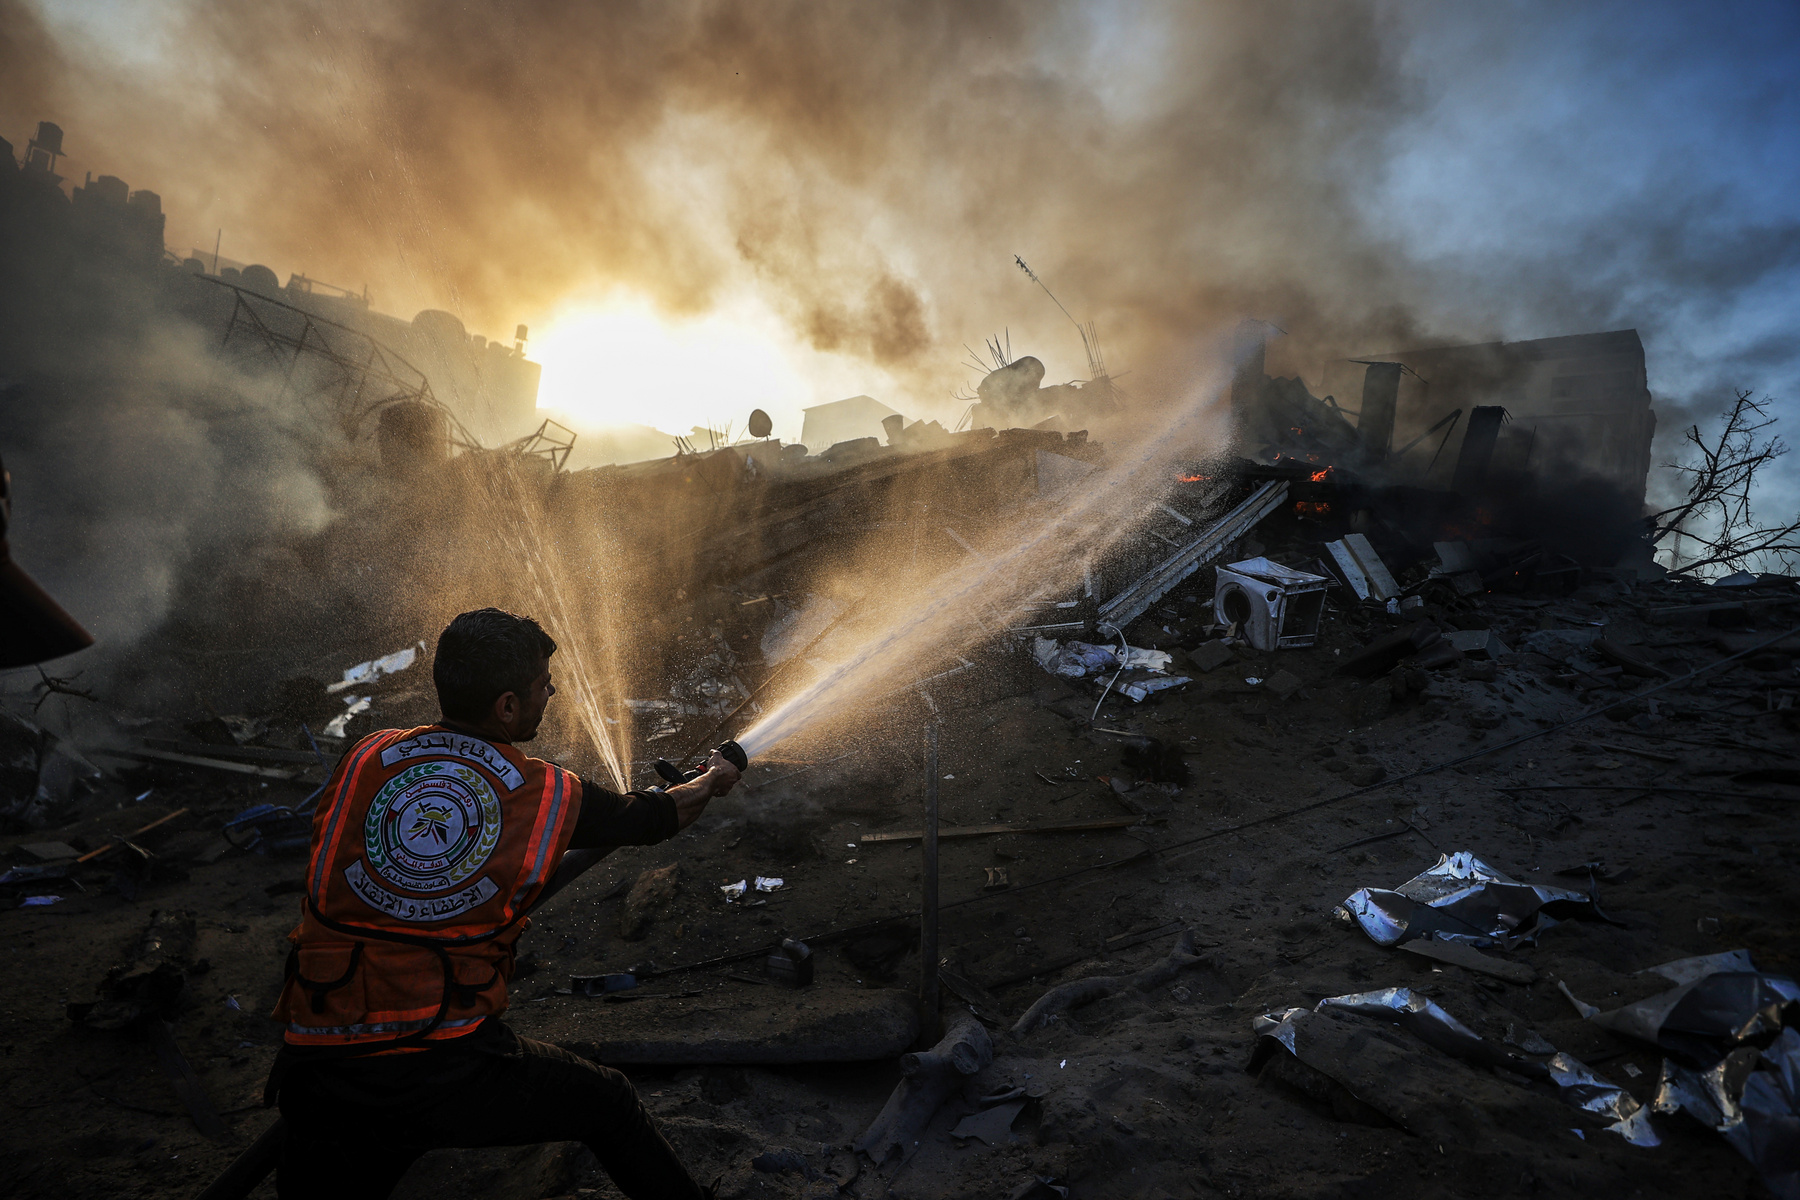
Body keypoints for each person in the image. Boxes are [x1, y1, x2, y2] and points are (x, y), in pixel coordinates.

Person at [267, 607, 739, 1199]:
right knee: (608, 1101)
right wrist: (710, 779)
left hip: (316, 1061)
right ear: (508, 706)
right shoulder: (543, 790)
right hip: (439, 1061)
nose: (554, 692)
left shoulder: (365, 755)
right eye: (544, 685)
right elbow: (658, 816)